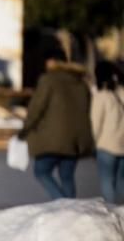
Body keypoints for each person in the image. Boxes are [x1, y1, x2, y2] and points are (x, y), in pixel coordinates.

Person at [19, 49, 94, 199]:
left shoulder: (49, 80)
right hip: (76, 139)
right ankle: (71, 211)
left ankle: (64, 205)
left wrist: (25, 129)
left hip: (53, 137)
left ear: (53, 61)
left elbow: (36, 108)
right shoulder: (80, 82)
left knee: (41, 172)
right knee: (67, 176)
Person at [90, 61, 124, 204]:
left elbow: (95, 123)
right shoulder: (121, 93)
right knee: (121, 182)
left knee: (107, 182)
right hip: (122, 145)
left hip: (106, 146)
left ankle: (111, 213)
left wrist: (92, 143)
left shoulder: (101, 96)